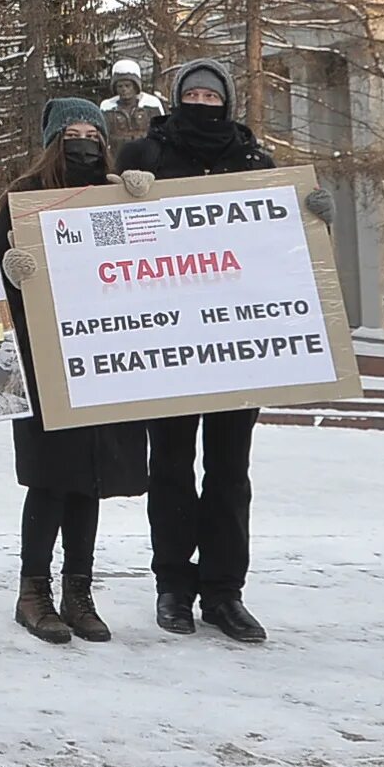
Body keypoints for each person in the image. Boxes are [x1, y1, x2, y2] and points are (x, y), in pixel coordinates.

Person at [116, 59, 274, 644]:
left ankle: (226, 593)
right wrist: (123, 191)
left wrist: (312, 217)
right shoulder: (145, 154)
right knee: (173, 470)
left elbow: (279, 246)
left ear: (228, 102)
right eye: (193, 93)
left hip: (239, 344)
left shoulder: (256, 162)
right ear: (178, 98)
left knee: (231, 473)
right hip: (169, 343)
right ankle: (174, 588)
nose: (203, 101)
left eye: (213, 94)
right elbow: (109, 231)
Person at [0, 98, 148, 647]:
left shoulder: (115, 193)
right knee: (52, 478)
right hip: (46, 358)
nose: (83, 140)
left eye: (92, 132)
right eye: (72, 132)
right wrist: (12, 273)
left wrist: (144, 200)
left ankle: (78, 591)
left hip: (106, 355)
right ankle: (33, 590)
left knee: (93, 479)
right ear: (54, 139)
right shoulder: (22, 200)